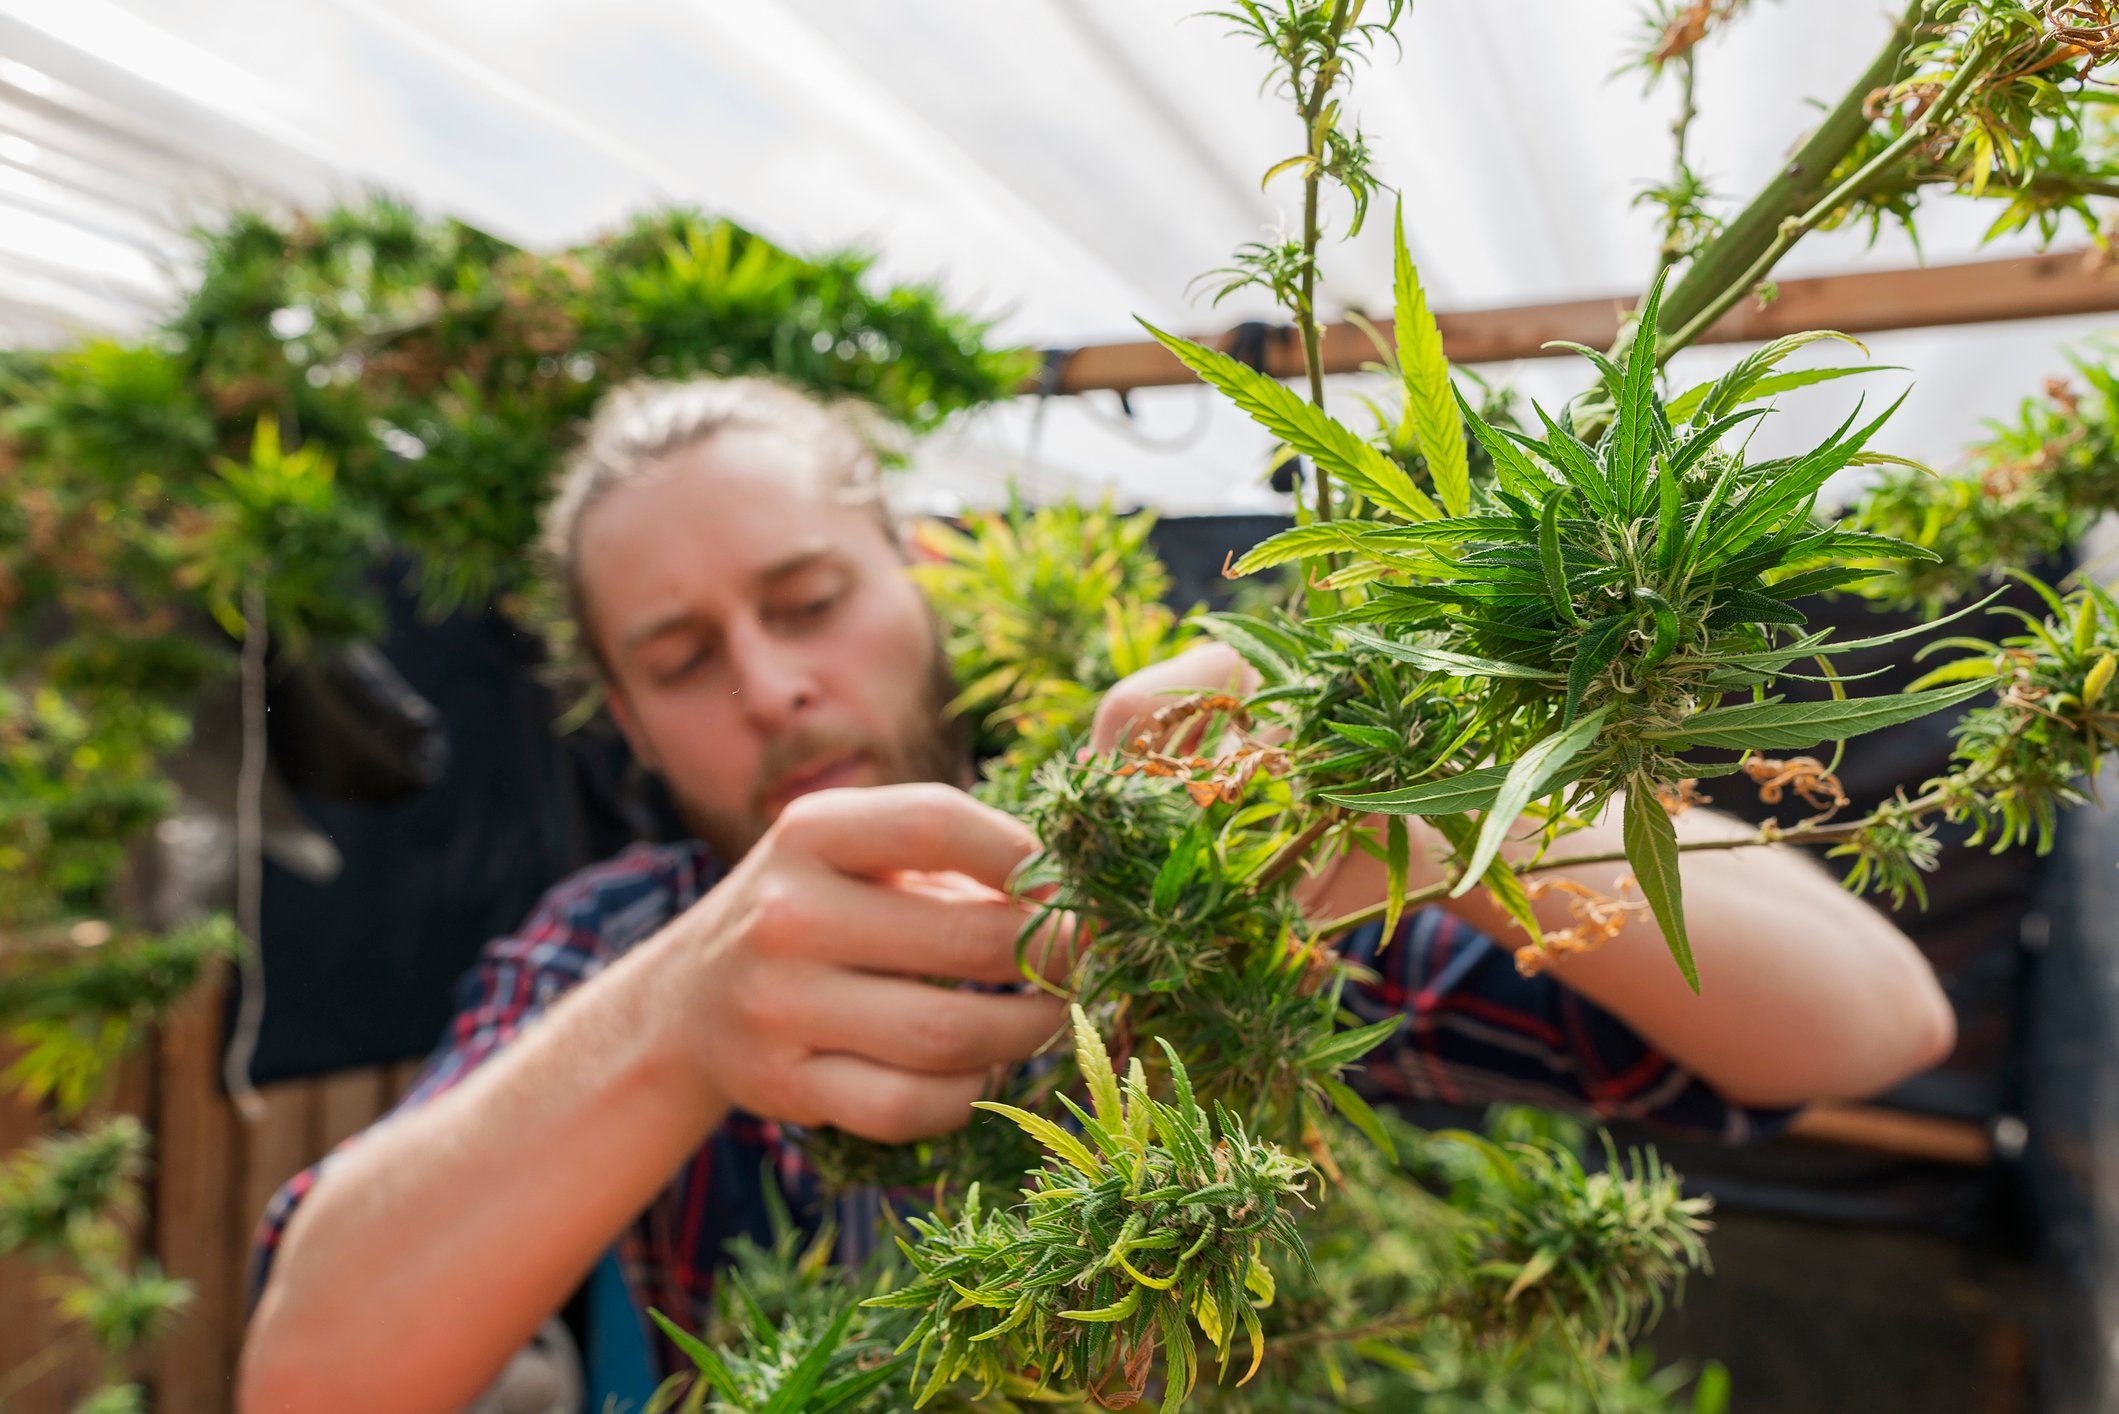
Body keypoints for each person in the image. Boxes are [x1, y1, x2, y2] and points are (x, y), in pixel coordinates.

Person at [237, 376, 1955, 1412]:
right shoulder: (613, 938)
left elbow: (1871, 1022)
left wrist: (1437, 804)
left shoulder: (1190, 871)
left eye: (808, 596)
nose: (767, 685)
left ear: (924, 571)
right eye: (681, 656)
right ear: (621, 715)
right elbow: (305, 1375)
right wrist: (682, 1023)